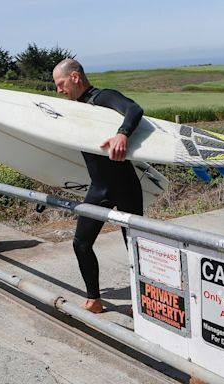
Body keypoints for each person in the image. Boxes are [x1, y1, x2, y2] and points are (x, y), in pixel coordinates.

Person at [52, 59, 144, 313]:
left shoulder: (103, 97)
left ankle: (147, 299)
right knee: (81, 242)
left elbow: (134, 109)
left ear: (75, 77)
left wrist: (122, 133)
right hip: (100, 187)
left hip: (125, 185)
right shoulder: (76, 108)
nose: (58, 90)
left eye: (60, 84)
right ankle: (94, 299)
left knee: (135, 247)